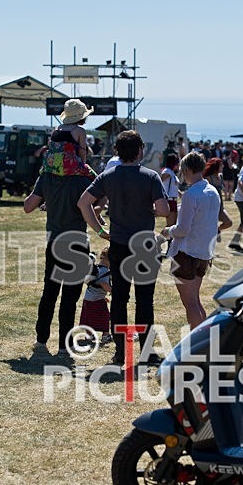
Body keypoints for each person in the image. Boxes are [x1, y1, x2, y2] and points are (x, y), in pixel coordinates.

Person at [77, 130, 170, 368]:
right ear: (140, 151)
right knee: (144, 300)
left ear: (117, 152)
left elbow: (83, 203)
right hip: (144, 245)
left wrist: (99, 230)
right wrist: (149, 209)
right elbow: (163, 209)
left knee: (119, 299)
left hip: (118, 244)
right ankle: (146, 353)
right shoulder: (150, 177)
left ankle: (120, 352)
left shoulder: (108, 176)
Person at [24, 147, 93, 355]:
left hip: (55, 242)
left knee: (50, 292)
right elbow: (99, 200)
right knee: (70, 298)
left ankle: (41, 339)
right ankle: (64, 345)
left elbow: (28, 206)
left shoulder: (47, 177)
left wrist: (47, 198)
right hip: (78, 242)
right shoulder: (84, 179)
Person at [161, 152, 221, 329]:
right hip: (204, 252)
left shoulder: (190, 194)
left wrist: (167, 231)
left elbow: (183, 229)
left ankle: (196, 342)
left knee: (191, 304)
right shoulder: (213, 191)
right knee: (195, 301)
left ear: (186, 170)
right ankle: (203, 338)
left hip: (187, 253)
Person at [42, 98, 93, 178]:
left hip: (52, 168)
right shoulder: (80, 131)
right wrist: (83, 169)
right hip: (70, 168)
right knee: (95, 178)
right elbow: (82, 153)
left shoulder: (56, 129)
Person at [78, 247, 112, 347]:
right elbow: (103, 284)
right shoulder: (105, 271)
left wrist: (103, 296)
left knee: (88, 318)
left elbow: (94, 285)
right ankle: (105, 336)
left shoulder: (95, 269)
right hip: (97, 300)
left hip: (88, 298)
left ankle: (89, 335)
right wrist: (112, 291)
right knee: (105, 317)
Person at [203, 157, 232, 237]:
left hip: (220, 206)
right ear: (216, 167)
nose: (223, 166)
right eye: (221, 165)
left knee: (229, 222)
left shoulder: (220, 176)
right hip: (210, 206)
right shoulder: (208, 178)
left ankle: (217, 230)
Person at [160, 153, 181, 227]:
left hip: (174, 200)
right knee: (170, 225)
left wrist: (180, 194)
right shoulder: (167, 171)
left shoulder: (172, 173)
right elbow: (160, 182)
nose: (178, 165)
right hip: (169, 200)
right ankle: (159, 235)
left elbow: (173, 187)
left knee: (173, 225)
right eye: (177, 162)